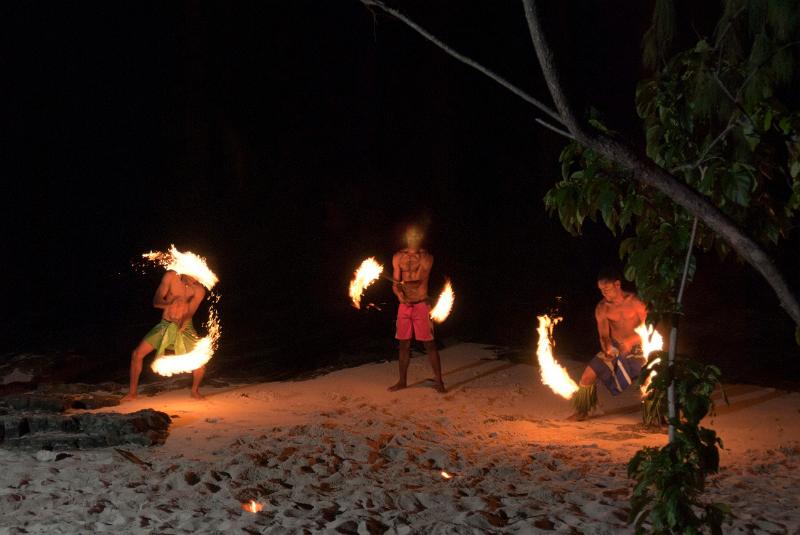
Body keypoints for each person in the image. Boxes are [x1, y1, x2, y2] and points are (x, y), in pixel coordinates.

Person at [570, 267, 648, 420]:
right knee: (587, 375)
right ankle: (582, 410)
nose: (604, 293)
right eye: (601, 290)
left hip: (640, 348)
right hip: (616, 348)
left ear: (617, 285)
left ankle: (656, 417)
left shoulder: (636, 302)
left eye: (607, 289)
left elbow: (650, 328)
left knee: (651, 377)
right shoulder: (602, 308)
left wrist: (630, 342)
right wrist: (608, 348)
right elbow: (604, 336)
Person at [121, 270, 207, 401]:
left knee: (199, 360)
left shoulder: (199, 290)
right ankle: (132, 392)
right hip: (164, 325)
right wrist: (169, 304)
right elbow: (156, 301)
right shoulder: (171, 276)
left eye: (194, 277)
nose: (191, 278)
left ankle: (195, 391)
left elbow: (191, 312)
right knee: (137, 354)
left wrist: (182, 322)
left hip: (185, 327)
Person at [387, 225, 446, 393]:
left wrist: (407, 289)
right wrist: (399, 294)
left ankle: (439, 381)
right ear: (406, 236)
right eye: (410, 234)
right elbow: (395, 282)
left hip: (421, 305)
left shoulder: (426, 258)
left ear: (420, 237)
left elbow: (421, 281)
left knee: (429, 344)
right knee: (403, 345)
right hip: (403, 306)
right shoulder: (398, 257)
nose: (412, 237)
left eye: (416, 235)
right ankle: (402, 381)